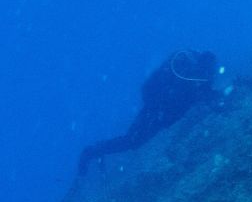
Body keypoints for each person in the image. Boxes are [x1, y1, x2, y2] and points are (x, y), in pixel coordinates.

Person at [75, 50, 228, 175]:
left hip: (161, 117)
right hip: (154, 113)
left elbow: (204, 95)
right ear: (201, 65)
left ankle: (97, 150)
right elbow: (184, 95)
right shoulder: (185, 73)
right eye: (207, 71)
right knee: (132, 141)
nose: (209, 76)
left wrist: (222, 98)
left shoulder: (197, 78)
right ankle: (91, 152)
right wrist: (159, 110)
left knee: (133, 142)